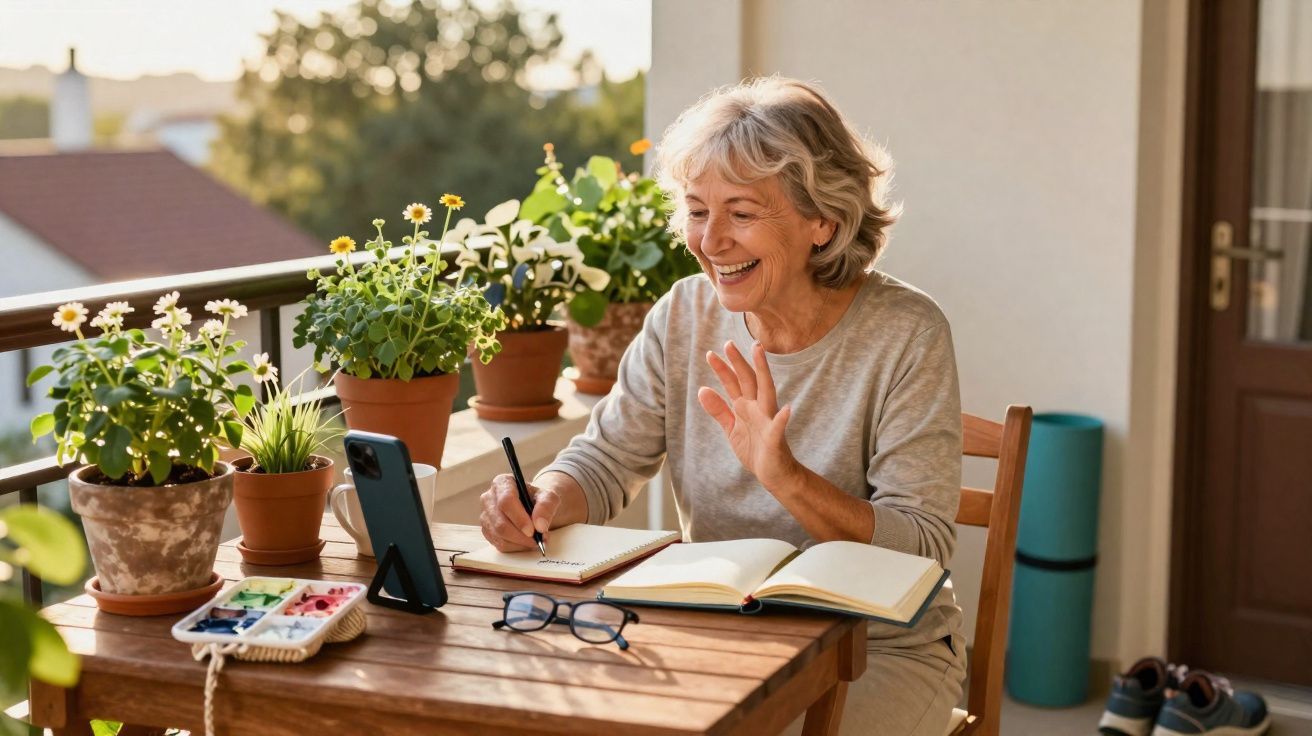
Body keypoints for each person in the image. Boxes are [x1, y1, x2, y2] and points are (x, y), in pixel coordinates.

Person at [479, 76, 966, 736]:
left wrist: (785, 478)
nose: (710, 241)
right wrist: (545, 497)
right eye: (698, 211)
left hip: (880, 646)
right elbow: (604, 459)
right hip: (726, 631)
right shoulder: (683, 313)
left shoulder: (908, 332)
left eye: (741, 213)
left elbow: (925, 548)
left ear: (823, 220)